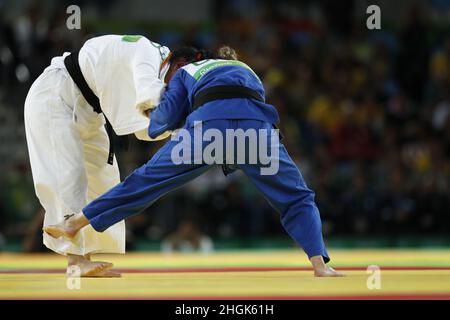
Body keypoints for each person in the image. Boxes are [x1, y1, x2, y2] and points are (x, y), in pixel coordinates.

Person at [44, 46, 343, 277]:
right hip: (256, 134)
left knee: (144, 182)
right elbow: (249, 102)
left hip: (207, 132)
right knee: (297, 197)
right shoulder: (248, 70)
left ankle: (75, 223)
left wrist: (148, 115)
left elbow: (162, 122)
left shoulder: (188, 72)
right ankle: (320, 264)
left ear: (183, 62)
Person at [24, 34, 198, 277]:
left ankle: (89, 255)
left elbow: (145, 129)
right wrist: (184, 126)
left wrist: (180, 127)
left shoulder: (158, 64)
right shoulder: (148, 52)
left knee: (104, 177)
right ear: (179, 65)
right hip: (55, 94)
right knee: (70, 174)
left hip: (89, 108)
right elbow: (151, 103)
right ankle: (75, 261)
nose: (175, 92)